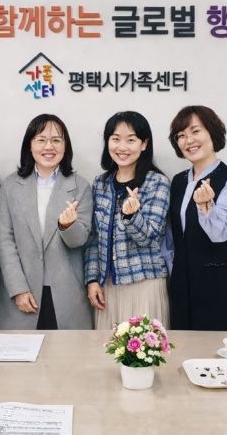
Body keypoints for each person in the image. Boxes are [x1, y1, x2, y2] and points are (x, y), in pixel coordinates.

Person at [0, 114, 93, 330]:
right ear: (29, 145)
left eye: (56, 140)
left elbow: (80, 240)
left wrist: (67, 226)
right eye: (41, 140)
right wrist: (18, 289)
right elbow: (5, 242)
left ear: (65, 146)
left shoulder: (80, 186)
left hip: (67, 294)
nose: (49, 147)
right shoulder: (10, 186)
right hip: (23, 291)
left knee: (66, 351)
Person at [167, 105, 227, 331]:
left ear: (212, 133)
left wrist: (207, 207)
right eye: (181, 135)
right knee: (183, 349)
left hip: (219, 286)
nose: (188, 140)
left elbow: (220, 233)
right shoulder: (178, 181)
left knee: (221, 350)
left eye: (195, 131)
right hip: (181, 287)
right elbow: (171, 238)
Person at [85, 111, 170, 329]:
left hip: (144, 283)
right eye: (116, 139)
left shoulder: (157, 183)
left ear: (144, 144)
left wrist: (132, 216)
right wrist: (92, 279)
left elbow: (149, 238)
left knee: (143, 347)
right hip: (108, 286)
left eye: (131, 140)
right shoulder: (100, 184)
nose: (122, 147)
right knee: (107, 347)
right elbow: (93, 239)